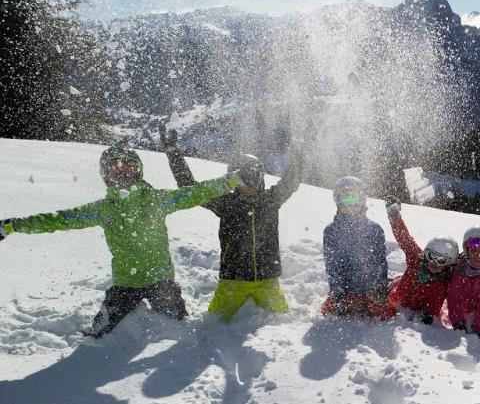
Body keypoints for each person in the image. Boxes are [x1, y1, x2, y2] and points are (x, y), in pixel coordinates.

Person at [0, 143, 242, 337]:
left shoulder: (157, 199)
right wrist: (15, 225)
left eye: (127, 167)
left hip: (162, 281)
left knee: (180, 330)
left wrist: (229, 181)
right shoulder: (104, 209)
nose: (121, 171)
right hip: (125, 284)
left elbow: (194, 194)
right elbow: (60, 219)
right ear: (106, 175)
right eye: (114, 168)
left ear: (137, 171)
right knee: (98, 335)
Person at [159, 122, 303, 321]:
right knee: (214, 325)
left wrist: (299, 152)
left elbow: (292, 180)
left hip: (268, 281)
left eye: (255, 177)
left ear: (262, 177)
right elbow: (189, 188)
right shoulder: (227, 204)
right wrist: (173, 153)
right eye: (243, 179)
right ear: (233, 181)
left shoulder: (271, 200)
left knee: (282, 324)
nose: (251, 184)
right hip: (232, 281)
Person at [321, 177, 394, 319]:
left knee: (385, 314)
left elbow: (380, 262)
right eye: (344, 199)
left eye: (353, 199)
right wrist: (338, 293)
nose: (349, 205)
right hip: (346, 289)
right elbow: (332, 266)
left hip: (370, 289)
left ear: (362, 200)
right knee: (330, 312)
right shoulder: (331, 231)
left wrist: (379, 288)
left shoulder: (374, 229)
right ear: (337, 201)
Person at [385, 201, 458, 324]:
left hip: (416, 306)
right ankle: (391, 281)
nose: (434, 262)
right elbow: (404, 238)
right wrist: (394, 215)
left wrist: (428, 315)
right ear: (426, 253)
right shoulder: (416, 258)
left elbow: (434, 307)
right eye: (432, 256)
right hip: (396, 291)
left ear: (448, 264)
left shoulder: (442, 284)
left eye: (441, 260)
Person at [447, 226, 480, 338]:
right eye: (474, 251)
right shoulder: (459, 267)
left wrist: (479, 327)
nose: (478, 255)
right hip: (467, 304)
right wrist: (458, 322)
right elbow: (453, 298)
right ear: (467, 251)